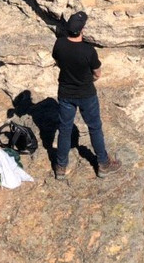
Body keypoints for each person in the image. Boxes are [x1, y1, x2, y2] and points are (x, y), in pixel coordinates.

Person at [51, 10, 122, 179]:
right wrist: (90, 78)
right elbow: (97, 73)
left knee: (65, 129)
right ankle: (103, 164)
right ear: (82, 30)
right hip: (86, 94)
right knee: (94, 128)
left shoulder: (59, 44)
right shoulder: (88, 51)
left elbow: (58, 61)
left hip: (65, 93)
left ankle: (61, 167)